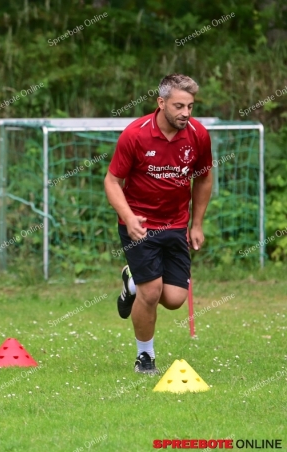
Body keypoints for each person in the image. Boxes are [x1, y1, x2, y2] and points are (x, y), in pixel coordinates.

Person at [104, 73, 212, 374]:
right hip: (139, 224)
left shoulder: (198, 135)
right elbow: (112, 181)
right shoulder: (135, 134)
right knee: (151, 292)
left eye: (190, 106)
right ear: (161, 102)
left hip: (176, 224)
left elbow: (203, 178)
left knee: (175, 299)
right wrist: (127, 217)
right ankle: (145, 357)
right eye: (179, 106)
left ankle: (131, 282)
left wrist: (197, 224)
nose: (185, 113)